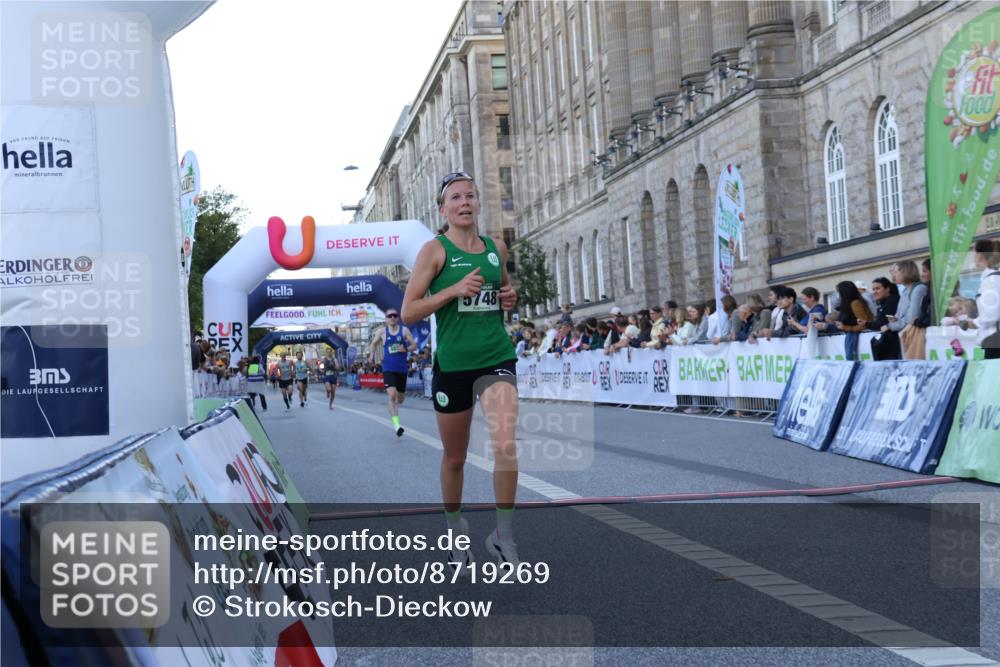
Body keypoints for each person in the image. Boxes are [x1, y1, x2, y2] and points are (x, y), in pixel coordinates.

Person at [400, 171, 520, 572]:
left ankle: (503, 536)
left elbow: (504, 291)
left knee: (505, 445)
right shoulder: (435, 252)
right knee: (455, 458)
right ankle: (455, 530)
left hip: (496, 356)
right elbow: (408, 310)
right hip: (453, 365)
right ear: (443, 208)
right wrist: (451, 290)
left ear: (478, 202)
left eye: (470, 196)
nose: (465, 203)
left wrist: (509, 296)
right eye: (456, 198)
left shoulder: (495, 247)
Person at [944, 239, 1000, 359]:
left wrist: (972, 323)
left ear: (980, 256)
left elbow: (991, 315)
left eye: (975, 253)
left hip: (995, 340)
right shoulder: (993, 278)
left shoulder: (991, 280)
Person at [368, 308, 416, 437]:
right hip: (388, 368)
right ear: (386, 318)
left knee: (400, 398)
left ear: (398, 318)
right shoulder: (382, 332)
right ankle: (396, 425)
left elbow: (414, 345)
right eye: (390, 316)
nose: (392, 318)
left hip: (401, 369)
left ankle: (397, 408)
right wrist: (372, 355)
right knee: (392, 395)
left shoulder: (404, 330)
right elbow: (373, 344)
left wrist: (405, 348)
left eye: (395, 315)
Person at [884, 259, 927, 359]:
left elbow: (910, 319)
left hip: (914, 337)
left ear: (905, 271)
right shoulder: (905, 291)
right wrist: (894, 320)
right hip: (905, 337)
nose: (893, 275)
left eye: (896, 272)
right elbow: (899, 316)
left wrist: (889, 326)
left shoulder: (918, 289)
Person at [833, 281, 874, 360]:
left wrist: (844, 327)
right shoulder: (851, 303)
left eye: (839, 292)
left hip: (856, 337)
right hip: (853, 337)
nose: (837, 295)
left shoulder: (855, 303)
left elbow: (863, 325)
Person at [866, 277, 900, 360]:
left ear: (887, 289)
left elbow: (885, 322)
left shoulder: (891, 302)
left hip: (892, 345)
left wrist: (866, 324)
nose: (874, 292)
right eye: (873, 289)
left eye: (877, 288)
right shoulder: (884, 302)